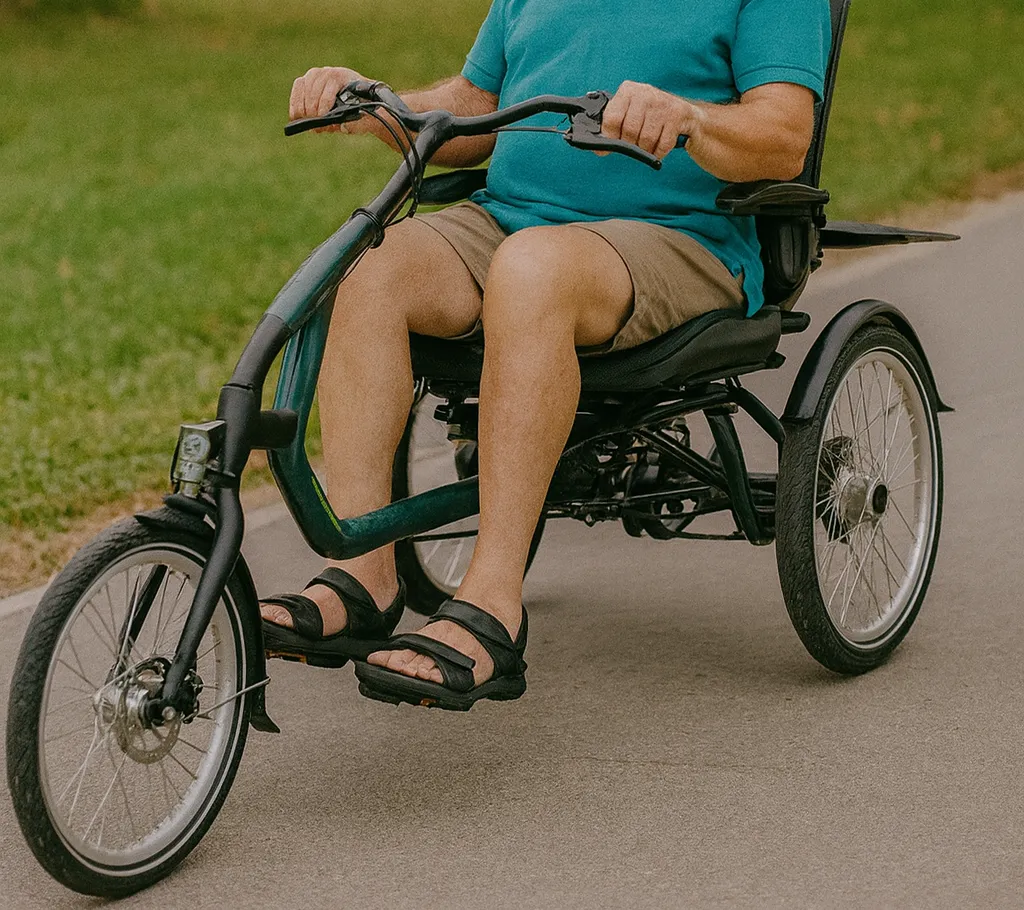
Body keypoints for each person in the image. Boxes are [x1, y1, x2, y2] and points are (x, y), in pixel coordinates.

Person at [260, 0, 832, 710]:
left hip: (679, 241)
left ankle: (494, 604)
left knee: (531, 272)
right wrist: (384, 104)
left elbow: (782, 137)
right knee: (365, 264)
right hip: (510, 221)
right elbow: (478, 104)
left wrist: (690, 118)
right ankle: (364, 576)